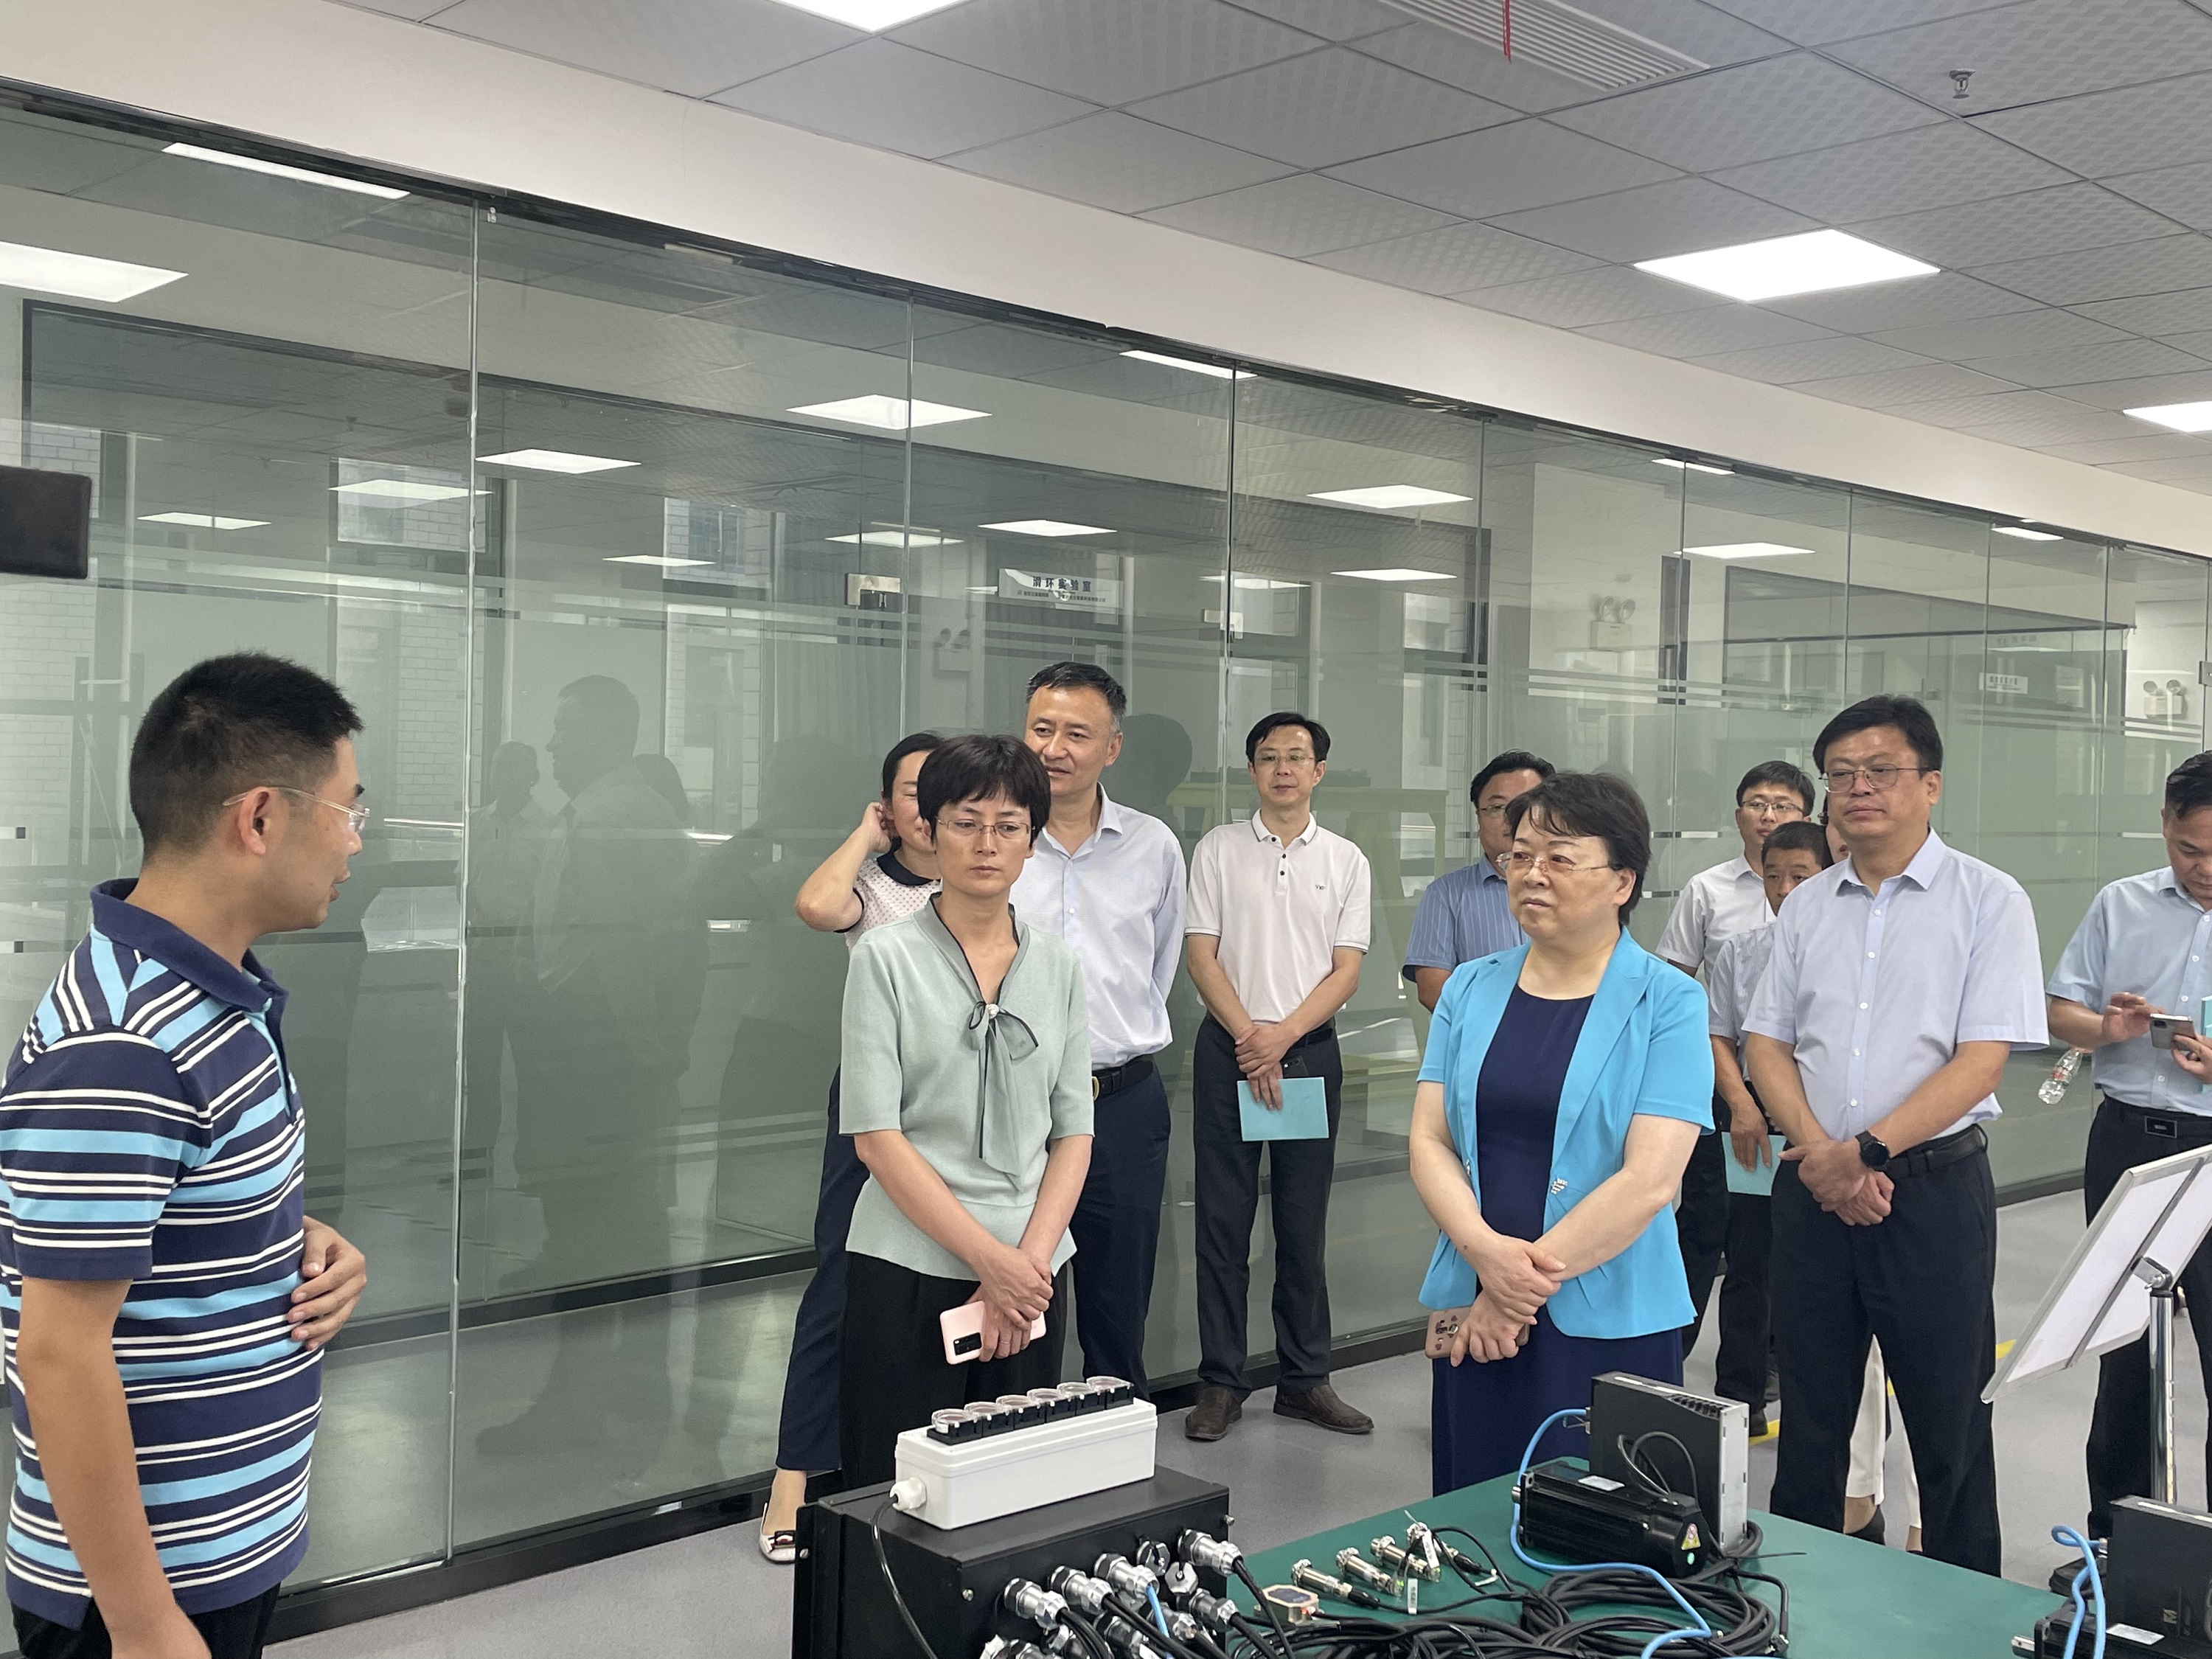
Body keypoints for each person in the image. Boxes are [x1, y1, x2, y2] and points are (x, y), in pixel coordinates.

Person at [0, 653, 369, 1659]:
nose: (353, 842)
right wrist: (145, 1621)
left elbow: (167, 1209)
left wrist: (296, 1239)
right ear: (261, 817)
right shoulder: (124, 1042)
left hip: (221, 1548)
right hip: (139, 1594)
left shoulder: (213, 998)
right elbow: (58, 1350)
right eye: (348, 810)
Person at [1745, 694, 2046, 1574]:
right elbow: (1767, 1043)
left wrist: (1864, 1153)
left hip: (1932, 1195)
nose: (1859, 789)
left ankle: (1964, 1611)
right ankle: (1795, 1602)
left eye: (1880, 771)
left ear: (1932, 784)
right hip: (1814, 1192)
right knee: (1809, 1422)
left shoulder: (1990, 900)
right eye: (1841, 775)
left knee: (1949, 1425)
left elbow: (1980, 1062)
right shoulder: (1806, 906)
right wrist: (1822, 1156)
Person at [1411, 771, 1711, 1490]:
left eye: (1560, 858)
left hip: (1606, 1311)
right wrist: (1486, 1259)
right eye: (1519, 855)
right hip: (1476, 1298)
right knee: (1474, 1515)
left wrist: (1512, 1293)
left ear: (1622, 882)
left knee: (1602, 1522)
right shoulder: (1469, 987)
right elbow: (1429, 1141)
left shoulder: (1669, 1001)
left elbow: (1650, 1180)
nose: (1531, 873)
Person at [835, 735, 1093, 1486]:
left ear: (1032, 841)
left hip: (1035, 1271)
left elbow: (1074, 1132)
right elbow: (876, 1138)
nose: (987, 844)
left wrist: (1026, 1266)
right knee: (895, 1490)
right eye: (965, 823)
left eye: (1009, 827)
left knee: (1012, 1490)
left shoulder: (1059, 966)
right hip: (909, 1265)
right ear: (930, 830)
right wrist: (993, 1265)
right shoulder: (885, 957)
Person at [479, 676, 690, 1475]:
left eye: (566, 731)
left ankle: (592, 1405)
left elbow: (632, 944)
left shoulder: (614, 815)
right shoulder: (603, 808)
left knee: (594, 1227)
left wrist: (639, 1051)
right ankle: (618, 1396)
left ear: (605, 734)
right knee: (606, 1223)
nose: (553, 745)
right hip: (588, 1044)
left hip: (597, 1050)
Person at [755, 732, 941, 1562]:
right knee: (841, 1279)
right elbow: (814, 906)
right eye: (911, 791)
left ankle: (923, 1467)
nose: (927, 806)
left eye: (944, 789)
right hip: (875, 1102)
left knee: (945, 1283)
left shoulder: (987, 882)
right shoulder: (873, 884)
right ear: (888, 804)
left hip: (966, 1108)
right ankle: (793, 1477)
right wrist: (866, 837)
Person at [1183, 713, 1373, 1441]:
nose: (1283, 769)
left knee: (1301, 1225)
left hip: (1307, 1053)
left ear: (1319, 770)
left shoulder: (1347, 859)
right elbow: (1201, 956)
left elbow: (1347, 970)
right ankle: (1221, 1383)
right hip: (1228, 1051)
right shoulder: (1218, 849)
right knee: (1222, 1225)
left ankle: (1304, 1379)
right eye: (1269, 757)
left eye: (1297, 757)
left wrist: (1282, 1040)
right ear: (1252, 770)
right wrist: (1250, 1041)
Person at [2048, 750, 2212, 1548]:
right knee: (2123, 1350)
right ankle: (2117, 1545)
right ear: (2165, 826)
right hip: (2129, 1149)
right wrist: (2104, 1028)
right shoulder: (2121, 904)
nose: (2204, 868)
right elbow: (2060, 1011)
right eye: (2189, 850)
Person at [1015, 663, 1186, 1397]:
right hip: (1013, 1104)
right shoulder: (994, 840)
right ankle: (1013, 1439)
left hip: (1121, 1102)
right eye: (1042, 729)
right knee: (1017, 1293)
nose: (1054, 748)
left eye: (1076, 734)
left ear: (1111, 748)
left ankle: (1114, 1437)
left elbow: (1159, 969)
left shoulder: (1153, 845)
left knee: (1119, 1299)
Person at [1659, 761, 1813, 1366]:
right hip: (1732, 1093)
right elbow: (1680, 994)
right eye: (1756, 803)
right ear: (1738, 814)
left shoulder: (1836, 911)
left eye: (1783, 805)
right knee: (1713, 1224)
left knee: (1787, 1239)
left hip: (1810, 1104)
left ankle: (1772, 1363)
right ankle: (1673, 1355)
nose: (1768, 815)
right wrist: (1737, 1100)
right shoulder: (1710, 890)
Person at [1703, 818, 1830, 1436]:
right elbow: (1718, 1036)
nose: (1783, 889)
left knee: (1818, 1263)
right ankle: (1740, 1396)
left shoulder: (1846, 949)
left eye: (1799, 876)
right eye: (1773, 876)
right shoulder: (1744, 949)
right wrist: (1742, 1106)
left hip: (1826, 1120)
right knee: (1750, 1257)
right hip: (1752, 1120)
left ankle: (1813, 1398)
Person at [1403, 751, 1554, 1012]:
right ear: (1479, 818)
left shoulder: (1576, 885)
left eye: (1526, 805)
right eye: (1498, 808)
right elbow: (1433, 990)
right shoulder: (1446, 894)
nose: (1512, 818)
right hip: (1484, 1035)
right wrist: (1503, 1027)